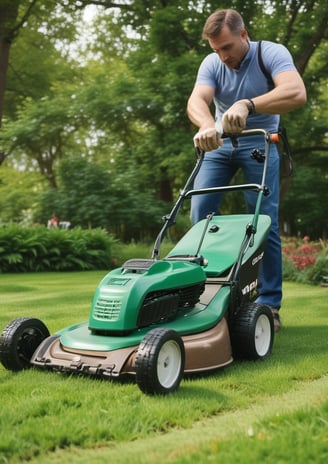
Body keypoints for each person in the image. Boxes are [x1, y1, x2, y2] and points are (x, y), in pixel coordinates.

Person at [187, 9, 306, 332]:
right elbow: (197, 99)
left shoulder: (271, 53)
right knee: (200, 214)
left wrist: (247, 104)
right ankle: (199, 295)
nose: (222, 56)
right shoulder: (212, 63)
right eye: (216, 50)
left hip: (260, 143)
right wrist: (205, 123)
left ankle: (269, 304)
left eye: (226, 47)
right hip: (220, 146)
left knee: (262, 221)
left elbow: (296, 92)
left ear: (243, 35)